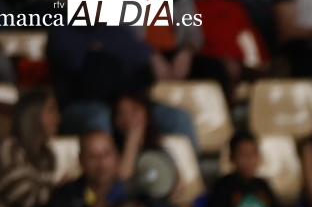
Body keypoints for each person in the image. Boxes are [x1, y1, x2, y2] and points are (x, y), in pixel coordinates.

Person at [46, 23, 198, 146]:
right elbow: (79, 67)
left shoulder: (118, 31)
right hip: (80, 106)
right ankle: (113, 173)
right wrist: (111, 53)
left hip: (123, 101)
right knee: (101, 117)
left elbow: (142, 58)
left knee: (179, 118)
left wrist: (101, 49)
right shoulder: (62, 32)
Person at [194, 0, 270, 96]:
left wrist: (259, 60)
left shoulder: (236, 7)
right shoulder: (194, 8)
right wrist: (224, 61)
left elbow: (248, 37)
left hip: (243, 65)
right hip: (214, 66)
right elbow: (197, 44)